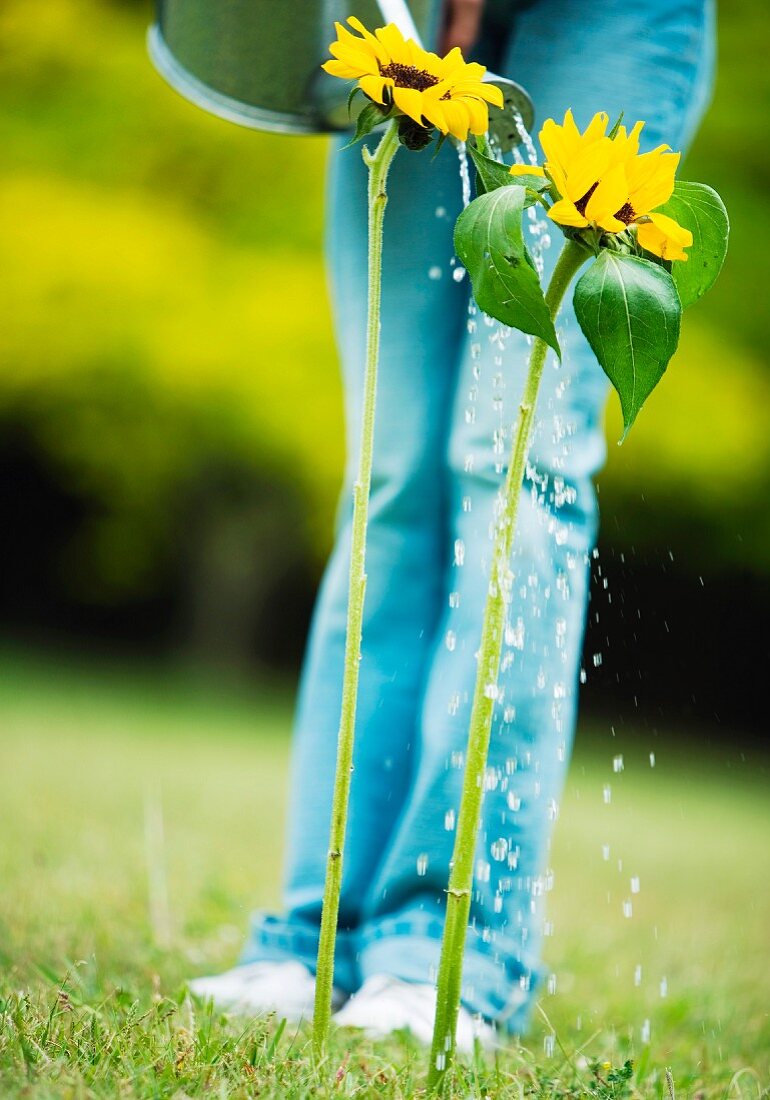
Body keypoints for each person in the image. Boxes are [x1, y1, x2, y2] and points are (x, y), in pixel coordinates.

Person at [190, 0, 715, 1047]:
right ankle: (317, 930)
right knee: (390, 471)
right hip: (412, 19)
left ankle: (454, 947)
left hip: (610, 17)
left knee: (513, 460)